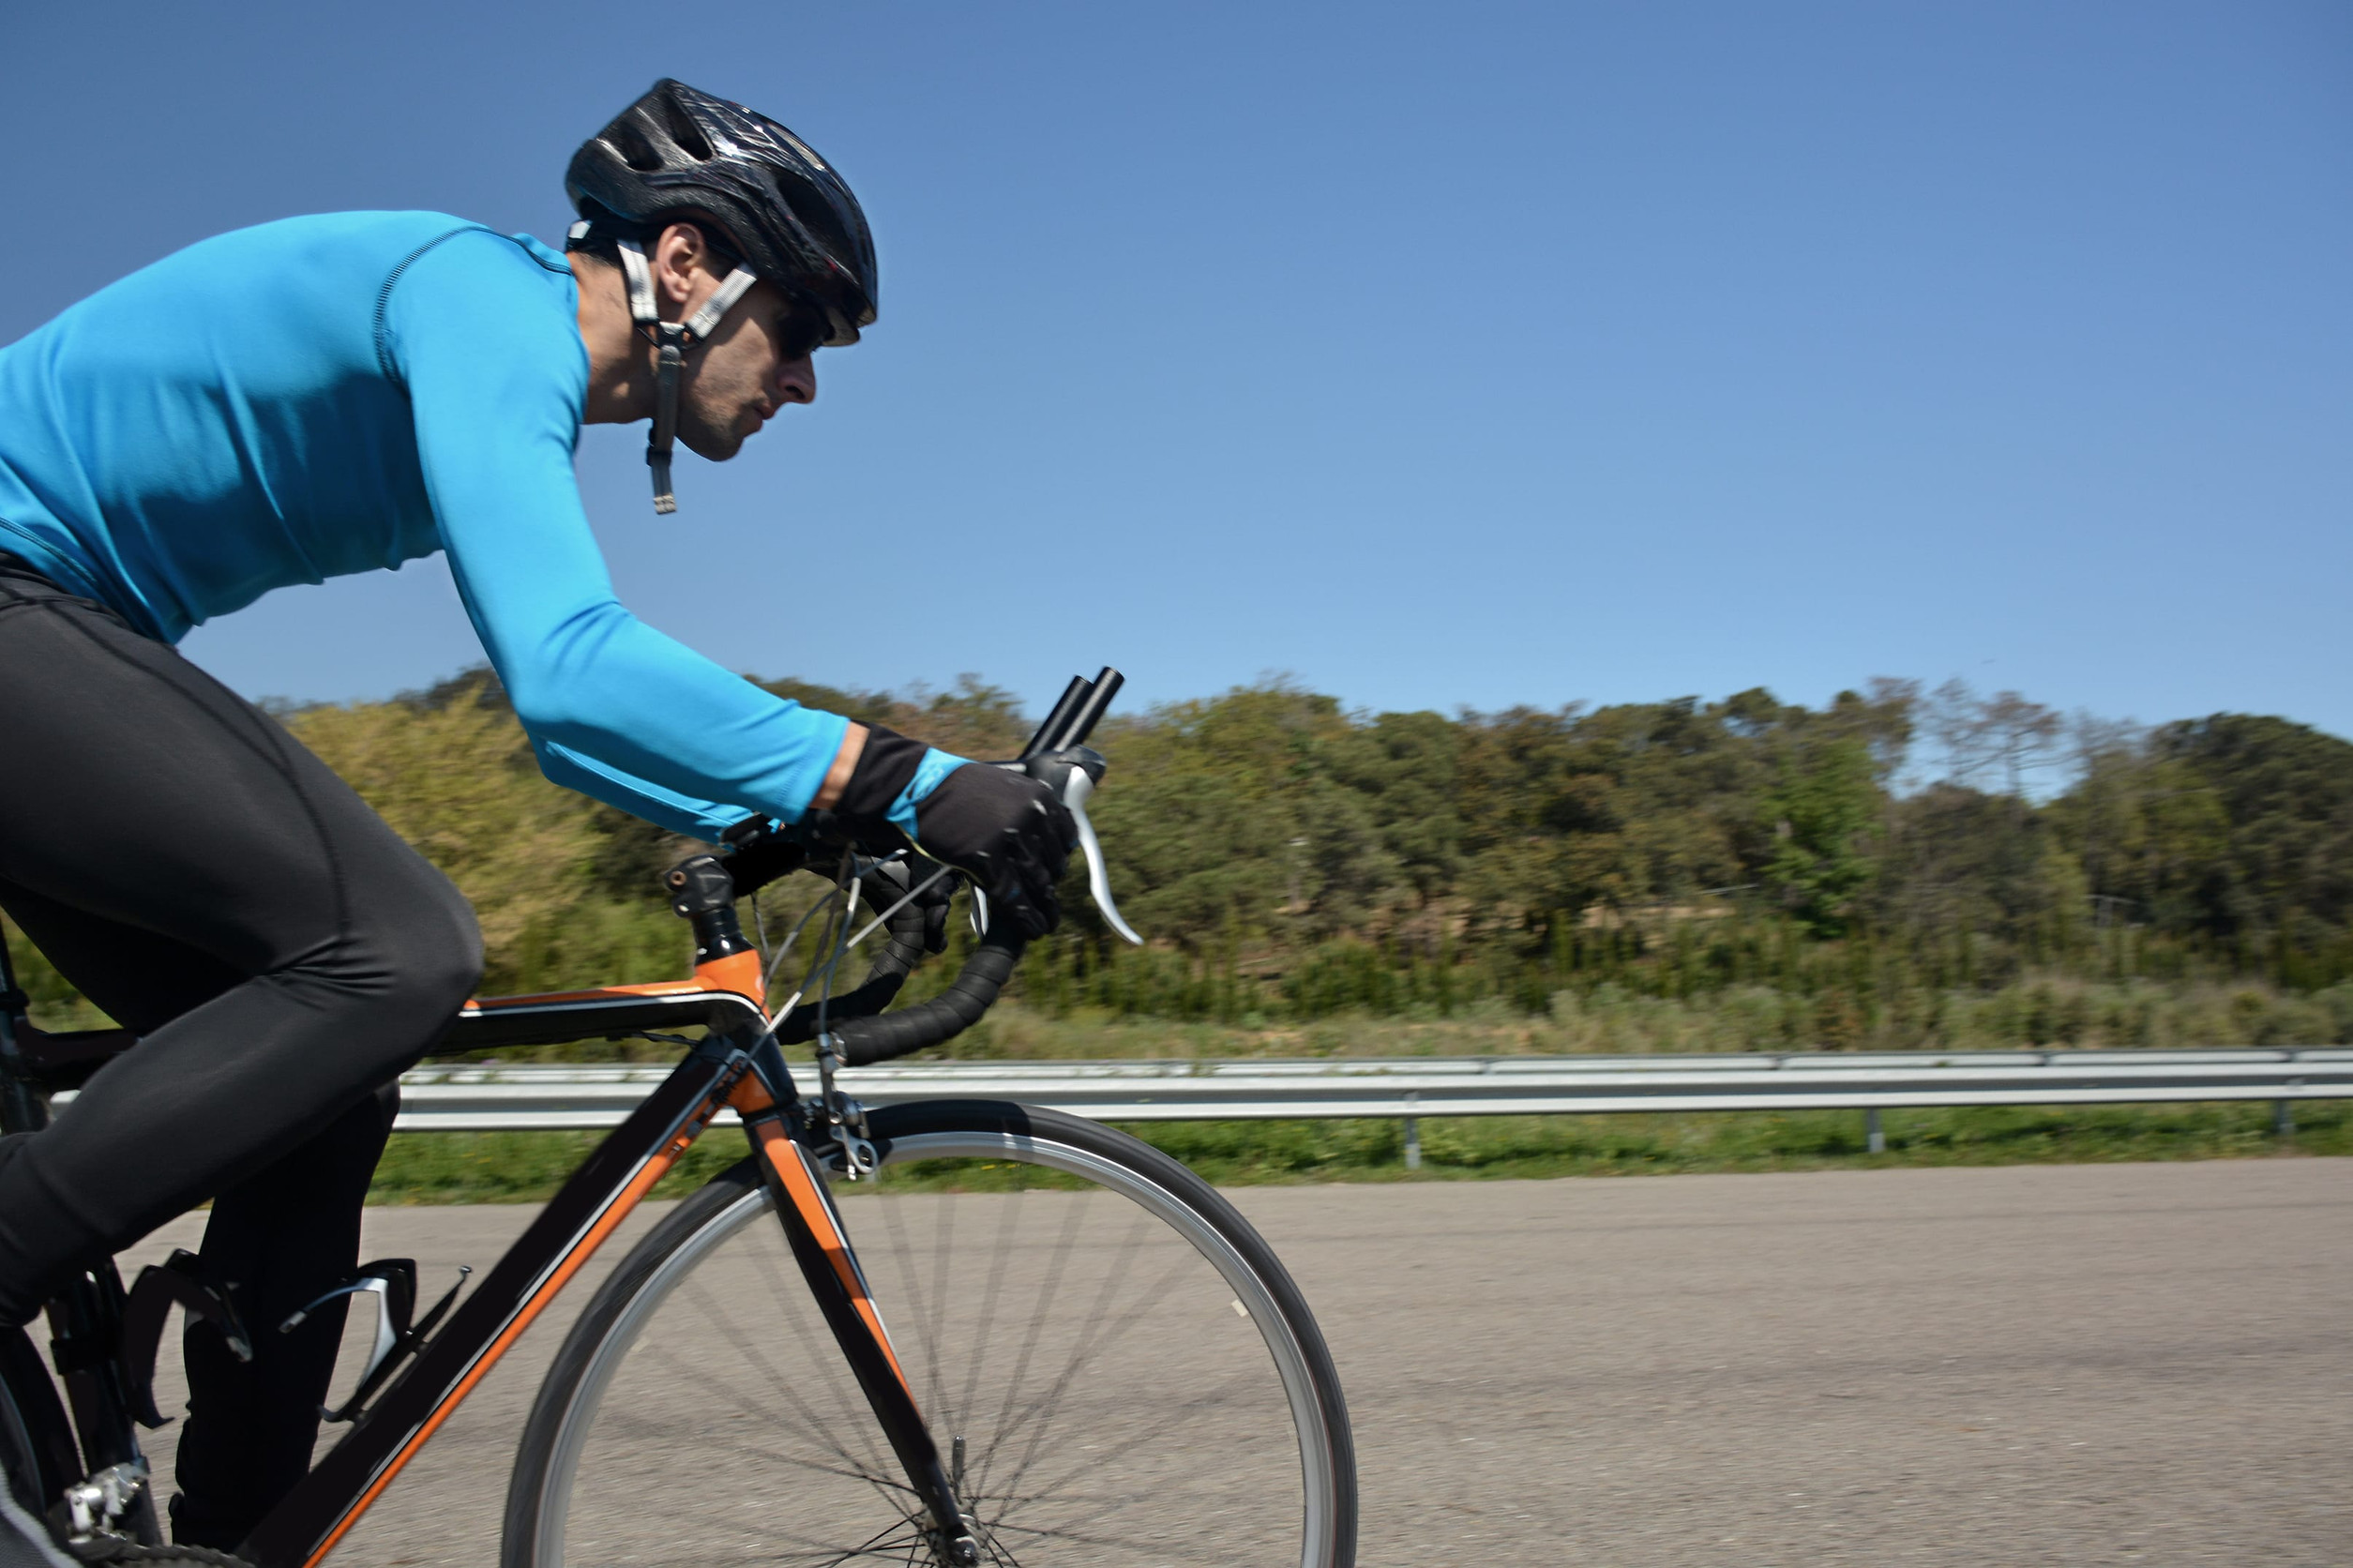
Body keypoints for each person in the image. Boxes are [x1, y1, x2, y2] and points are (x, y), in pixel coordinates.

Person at [0, 79, 1073, 1551]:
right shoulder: (481, 304)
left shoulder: (499, 357)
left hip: (61, 627)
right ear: (687, 263)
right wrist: (900, 778)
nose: (809, 381)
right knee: (397, 950)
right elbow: (568, 677)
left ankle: (222, 1539)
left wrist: (825, 812)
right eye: (807, 327)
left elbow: (579, 738)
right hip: (19, 600)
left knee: (323, 1077)